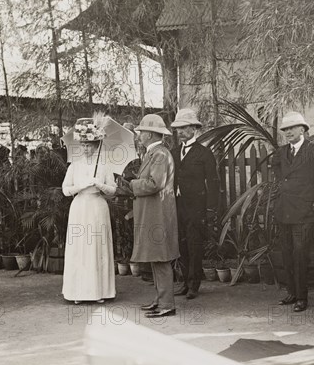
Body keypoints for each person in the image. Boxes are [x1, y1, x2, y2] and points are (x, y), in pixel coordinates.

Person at [272, 112, 314, 312]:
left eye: (292, 128)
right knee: (286, 253)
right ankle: (292, 292)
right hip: (284, 209)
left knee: (300, 254)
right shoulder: (282, 152)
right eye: (285, 129)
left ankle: (302, 297)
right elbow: (277, 170)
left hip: (304, 211)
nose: (288, 132)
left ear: (302, 129)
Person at [127, 114, 179, 318]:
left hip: (158, 214)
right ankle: (161, 299)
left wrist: (132, 184)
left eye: (141, 132)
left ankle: (167, 303)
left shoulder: (159, 154)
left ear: (149, 134)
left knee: (161, 258)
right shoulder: (155, 153)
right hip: (153, 213)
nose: (139, 135)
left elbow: (155, 183)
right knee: (157, 258)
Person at [61, 117, 117, 304]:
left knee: (96, 248)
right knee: (80, 249)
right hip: (79, 208)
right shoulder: (74, 165)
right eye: (83, 145)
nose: (86, 148)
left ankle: (100, 291)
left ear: (96, 144)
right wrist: (81, 185)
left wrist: (99, 184)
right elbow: (65, 190)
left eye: (89, 145)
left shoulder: (104, 164)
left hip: (97, 208)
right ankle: (77, 292)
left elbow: (113, 190)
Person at [170, 108, 220, 299]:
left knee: (194, 244)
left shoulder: (204, 153)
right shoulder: (174, 152)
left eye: (184, 128)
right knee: (181, 244)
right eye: (177, 129)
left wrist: (210, 209)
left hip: (197, 207)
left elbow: (214, 183)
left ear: (193, 129)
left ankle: (194, 284)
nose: (180, 132)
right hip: (178, 205)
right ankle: (183, 282)